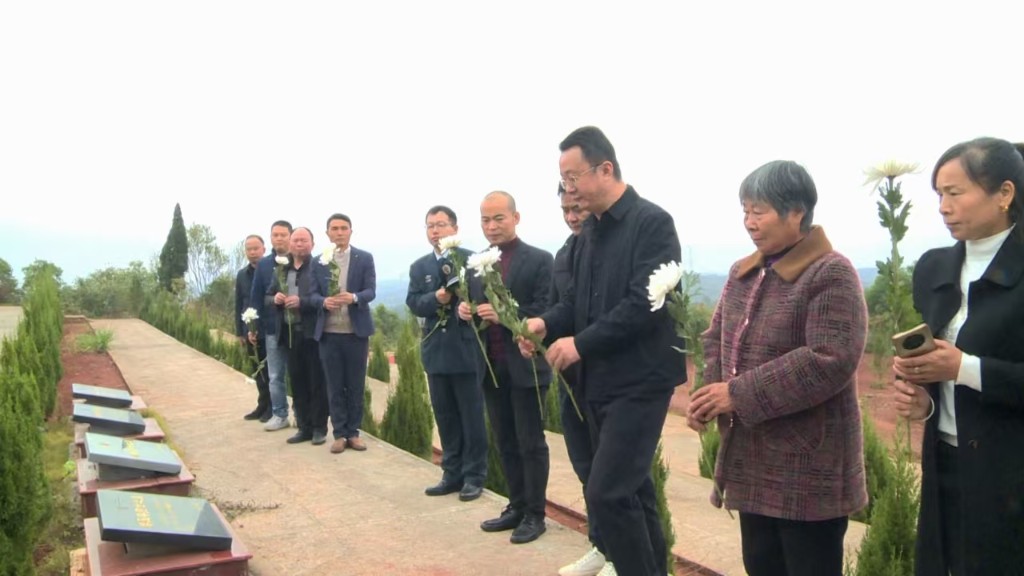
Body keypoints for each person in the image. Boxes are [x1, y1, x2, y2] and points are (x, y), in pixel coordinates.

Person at [687, 160, 867, 576]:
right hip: (752, 461)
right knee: (761, 565)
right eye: (745, 211)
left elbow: (830, 359)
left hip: (809, 469)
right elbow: (715, 338)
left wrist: (736, 394)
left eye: (759, 211)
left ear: (796, 212)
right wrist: (709, 396)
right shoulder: (743, 272)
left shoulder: (831, 273)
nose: (749, 222)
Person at [525, 126, 683, 576]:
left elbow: (643, 304)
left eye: (573, 178)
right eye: (564, 180)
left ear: (605, 169)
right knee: (634, 492)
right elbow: (576, 301)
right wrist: (545, 323)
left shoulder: (652, 223)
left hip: (641, 380)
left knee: (607, 493)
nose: (569, 189)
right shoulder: (590, 232)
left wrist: (580, 343)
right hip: (600, 381)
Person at [892, 137, 1024, 576]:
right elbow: (941, 374)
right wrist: (924, 400)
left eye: (955, 193)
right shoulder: (934, 269)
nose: (944, 208)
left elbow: (961, 367)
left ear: (1004, 194)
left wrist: (964, 368)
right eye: (939, 195)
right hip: (945, 461)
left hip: (1011, 474)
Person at [458, 190, 553, 545]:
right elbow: (475, 307)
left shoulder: (539, 260)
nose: (492, 226)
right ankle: (516, 505)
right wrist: (466, 311)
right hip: (492, 368)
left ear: (516, 218)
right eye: (485, 220)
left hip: (526, 366)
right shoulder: (477, 263)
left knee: (530, 442)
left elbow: (547, 309)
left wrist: (505, 316)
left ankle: (535, 514)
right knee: (506, 442)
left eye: (499, 218)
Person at [407, 205, 487, 501]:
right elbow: (414, 303)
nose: (436, 231)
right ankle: (451, 473)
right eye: (430, 226)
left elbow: (486, 297)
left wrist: (470, 306)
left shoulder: (471, 260)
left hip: (467, 350)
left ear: (455, 228)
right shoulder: (419, 267)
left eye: (441, 224)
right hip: (436, 352)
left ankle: (475, 475)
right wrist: (436, 298)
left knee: (472, 417)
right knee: (445, 417)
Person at [550, 186, 605, 576]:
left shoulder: (613, 250)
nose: (572, 216)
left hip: (607, 378)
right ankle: (600, 545)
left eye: (577, 208)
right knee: (586, 467)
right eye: (565, 209)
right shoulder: (564, 254)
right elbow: (561, 308)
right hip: (571, 380)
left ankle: (623, 555)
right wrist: (538, 332)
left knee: (613, 477)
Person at [312, 214, 376, 454]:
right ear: (327, 233)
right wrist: (323, 301)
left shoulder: (364, 258)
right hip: (329, 333)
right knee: (335, 385)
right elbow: (311, 295)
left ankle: (354, 433)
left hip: (355, 333)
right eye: (334, 228)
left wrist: (354, 297)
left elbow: (371, 291)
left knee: (356, 385)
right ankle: (339, 433)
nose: (339, 232)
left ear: (351, 231)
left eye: (343, 228)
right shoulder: (319, 261)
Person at [271, 227, 329, 446]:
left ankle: (319, 428)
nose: (299, 244)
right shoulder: (281, 269)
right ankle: (304, 427)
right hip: (289, 333)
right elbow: (267, 296)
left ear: (312, 244)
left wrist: (302, 302)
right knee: (297, 382)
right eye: (296, 240)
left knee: (317, 382)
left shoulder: (319, 267)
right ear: (290, 243)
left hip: (312, 334)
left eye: (304, 240)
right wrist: (275, 299)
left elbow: (325, 298)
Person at [249, 220, 293, 432]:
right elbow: (257, 297)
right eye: (275, 235)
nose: (279, 238)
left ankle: (302, 415)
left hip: (297, 329)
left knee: (299, 374)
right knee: (275, 375)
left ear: (290, 236)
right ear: (271, 238)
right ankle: (280, 414)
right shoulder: (265, 265)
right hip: (272, 328)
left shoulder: (300, 261)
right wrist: (253, 327)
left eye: (283, 234)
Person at [236, 234, 271, 422]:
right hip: (249, 330)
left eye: (256, 248)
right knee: (257, 370)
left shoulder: (271, 271)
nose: (252, 252)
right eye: (249, 249)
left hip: (268, 330)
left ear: (264, 249)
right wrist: (240, 332)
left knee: (270, 371)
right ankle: (262, 405)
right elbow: (238, 304)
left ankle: (272, 408)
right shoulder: (242, 275)